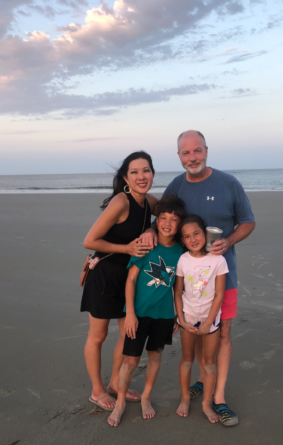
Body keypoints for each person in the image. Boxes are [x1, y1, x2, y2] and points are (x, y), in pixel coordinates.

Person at [141, 130, 256, 426]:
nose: (192, 157)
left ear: (206, 150)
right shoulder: (177, 186)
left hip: (221, 277)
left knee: (223, 334)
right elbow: (163, 221)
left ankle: (218, 397)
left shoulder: (229, 183)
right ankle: (201, 383)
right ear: (179, 156)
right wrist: (152, 231)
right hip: (187, 281)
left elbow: (248, 222)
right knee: (191, 337)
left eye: (197, 151)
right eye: (185, 153)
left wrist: (228, 241)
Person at [81, 151, 159, 411]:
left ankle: (115, 384)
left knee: (128, 335)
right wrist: (127, 249)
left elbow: (170, 216)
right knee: (98, 336)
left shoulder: (149, 201)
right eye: (134, 172)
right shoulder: (121, 202)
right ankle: (97, 391)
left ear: (153, 174)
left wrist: (151, 228)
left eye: (146, 170)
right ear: (126, 177)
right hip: (105, 276)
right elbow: (89, 241)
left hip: (129, 278)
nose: (141, 176)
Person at [107, 195, 187, 427]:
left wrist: (176, 316)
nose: (167, 223)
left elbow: (177, 289)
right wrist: (129, 313)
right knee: (130, 361)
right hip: (138, 314)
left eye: (174, 220)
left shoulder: (181, 252)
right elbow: (131, 281)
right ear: (156, 219)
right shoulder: (145, 246)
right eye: (163, 218)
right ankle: (120, 401)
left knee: (155, 357)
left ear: (179, 224)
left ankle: (146, 397)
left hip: (163, 316)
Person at [174, 214, 228, 424]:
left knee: (208, 362)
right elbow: (178, 293)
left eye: (196, 233)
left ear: (205, 233)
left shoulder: (218, 259)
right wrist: (181, 319)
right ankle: (185, 398)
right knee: (187, 359)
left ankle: (207, 403)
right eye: (186, 236)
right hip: (187, 317)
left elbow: (220, 294)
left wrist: (208, 322)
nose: (193, 239)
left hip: (210, 318)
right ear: (182, 241)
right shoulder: (183, 259)